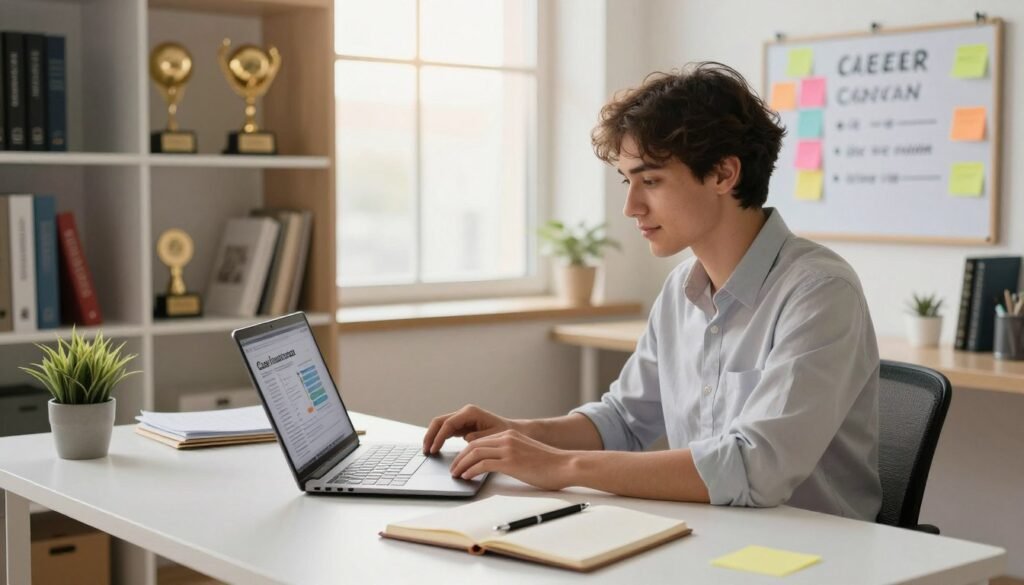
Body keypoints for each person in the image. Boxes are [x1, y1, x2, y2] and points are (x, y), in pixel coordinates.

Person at [422, 62, 882, 520]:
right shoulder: (682, 288)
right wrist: (517, 433)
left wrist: (562, 466)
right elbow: (624, 420)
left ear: (724, 174)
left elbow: (754, 467)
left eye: (651, 180)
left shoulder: (819, 292)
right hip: (713, 536)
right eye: (628, 181)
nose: (630, 206)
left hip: (812, 553)